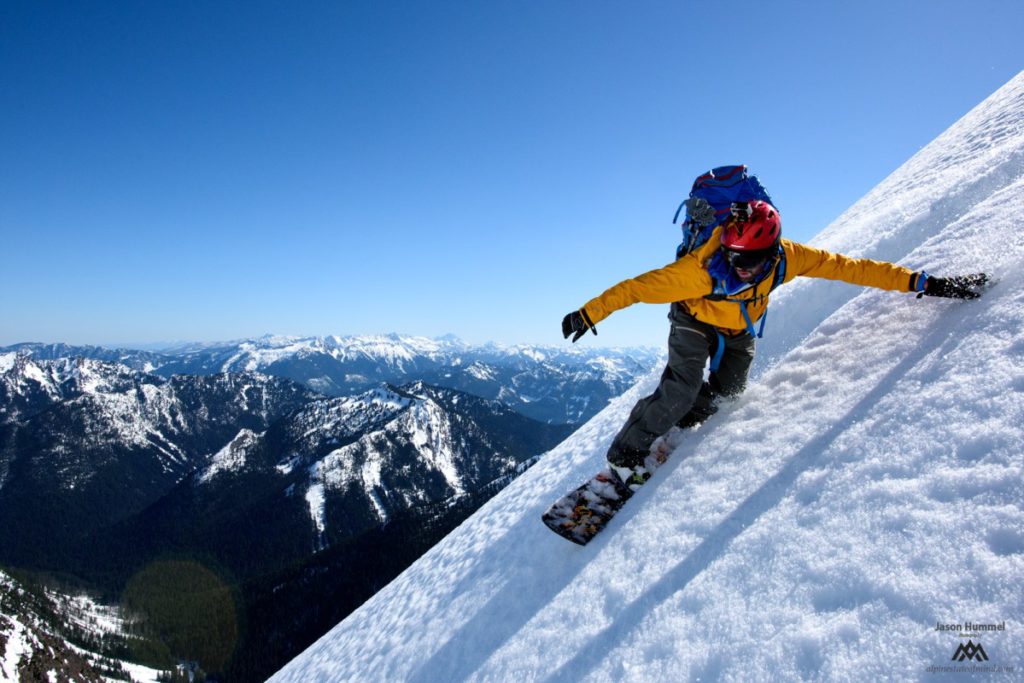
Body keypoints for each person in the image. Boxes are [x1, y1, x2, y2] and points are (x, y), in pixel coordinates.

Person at [561, 200, 988, 488]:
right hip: (691, 318)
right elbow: (636, 288)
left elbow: (854, 270)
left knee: (728, 393)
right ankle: (625, 453)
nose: (739, 266)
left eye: (749, 260)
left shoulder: (791, 258)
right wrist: (589, 313)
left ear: (771, 251)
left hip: (739, 325)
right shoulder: (699, 270)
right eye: (734, 256)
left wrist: (926, 283)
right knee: (682, 384)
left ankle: (677, 420)